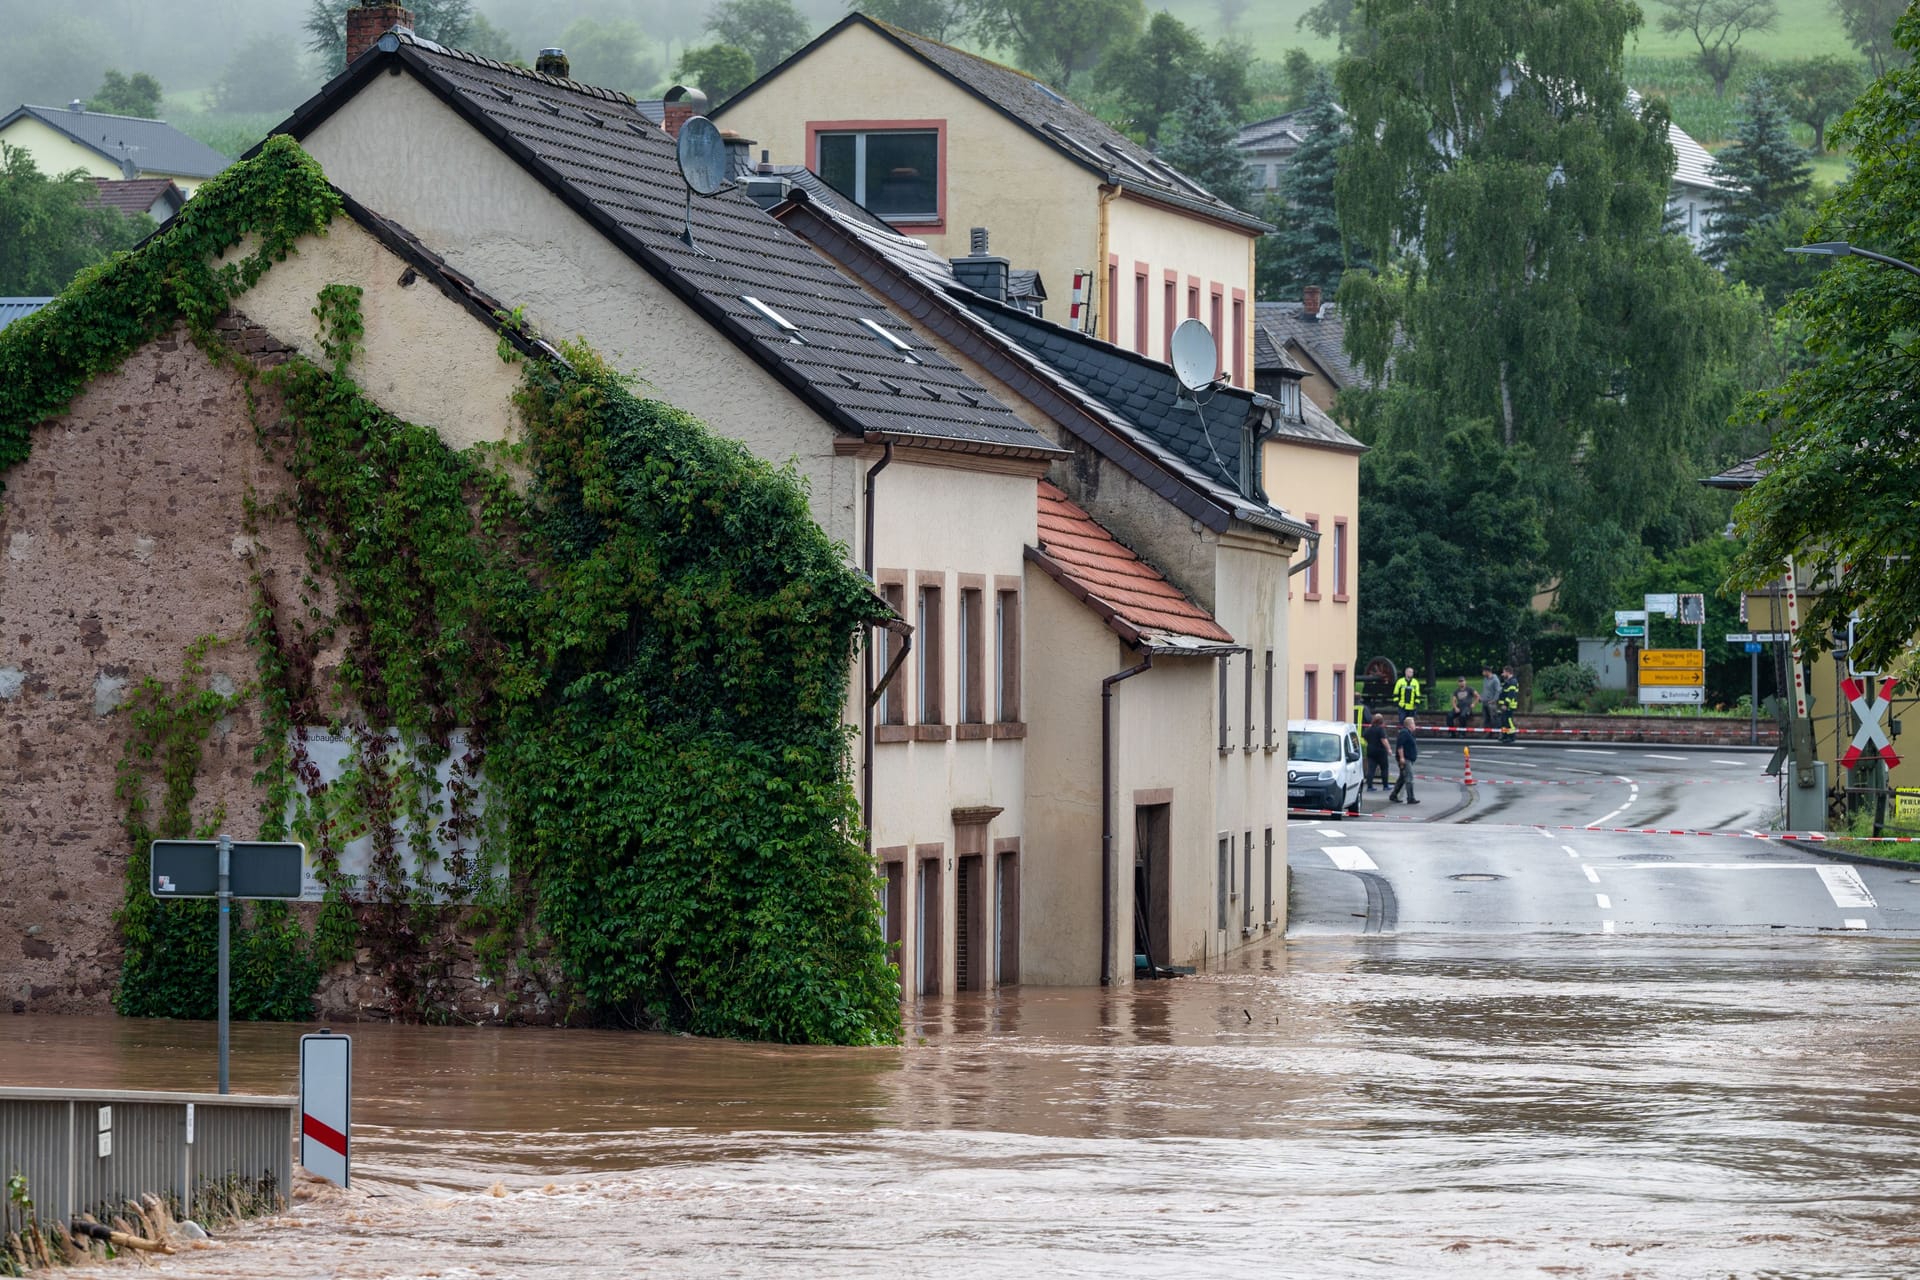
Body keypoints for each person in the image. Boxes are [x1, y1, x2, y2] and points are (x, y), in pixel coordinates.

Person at [1388, 714, 1420, 804]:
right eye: (1413, 724)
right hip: (1406, 759)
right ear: (1409, 725)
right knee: (1409, 778)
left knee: (1402, 778)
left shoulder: (1408, 733)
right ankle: (1410, 798)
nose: (1415, 725)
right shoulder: (1404, 733)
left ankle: (1393, 795)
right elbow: (1400, 746)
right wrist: (1402, 758)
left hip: (1408, 758)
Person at [1362, 713, 1391, 791]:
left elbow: (1364, 737)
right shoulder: (1380, 730)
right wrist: (1389, 749)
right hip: (1381, 751)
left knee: (1371, 769)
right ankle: (1385, 786)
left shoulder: (1369, 729)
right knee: (1384, 768)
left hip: (1371, 750)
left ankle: (1369, 786)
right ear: (1381, 721)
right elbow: (1384, 740)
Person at [1499, 666, 1520, 744]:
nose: (1503, 674)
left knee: (1509, 721)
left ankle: (1511, 736)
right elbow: (1502, 689)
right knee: (1504, 721)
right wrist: (1501, 678)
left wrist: (1506, 704)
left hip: (1509, 705)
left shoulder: (1513, 682)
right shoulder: (1507, 681)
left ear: (1508, 672)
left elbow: (1511, 694)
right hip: (1505, 705)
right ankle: (1505, 735)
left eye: (1504, 672)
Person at [1481, 665, 1503, 734]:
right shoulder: (1485, 679)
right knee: (1486, 719)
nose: (1482, 673)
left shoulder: (1495, 680)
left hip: (1491, 702)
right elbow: (1485, 690)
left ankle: (1497, 732)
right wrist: (1481, 697)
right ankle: (1487, 733)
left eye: (1483, 671)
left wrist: (1494, 700)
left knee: (1494, 718)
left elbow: (1498, 691)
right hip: (1484, 701)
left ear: (1487, 672)